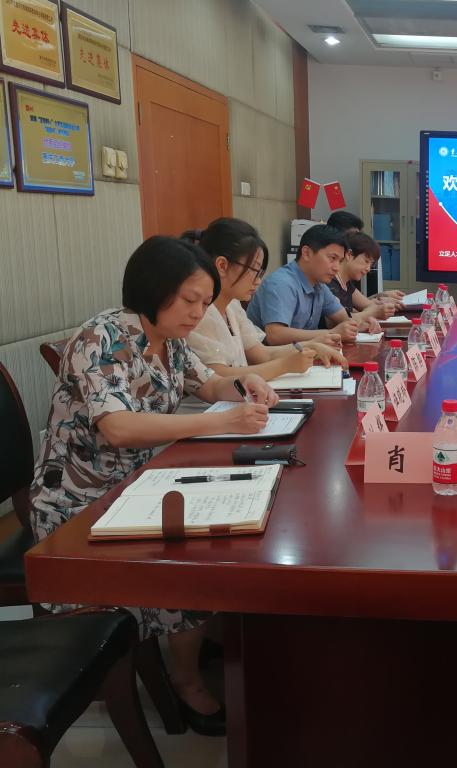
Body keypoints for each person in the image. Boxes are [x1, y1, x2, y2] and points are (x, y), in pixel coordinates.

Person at [30, 236, 280, 736]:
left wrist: (242, 385)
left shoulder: (169, 339)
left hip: (139, 484)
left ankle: (204, 639)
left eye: (205, 302)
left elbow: (207, 383)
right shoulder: (102, 338)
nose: (197, 313)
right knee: (193, 562)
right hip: (81, 503)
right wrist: (218, 421)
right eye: (189, 300)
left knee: (224, 528)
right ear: (152, 290)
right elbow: (119, 427)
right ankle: (185, 679)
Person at [184, 218, 347, 381]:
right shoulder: (201, 312)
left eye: (260, 273)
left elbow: (262, 354)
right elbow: (217, 378)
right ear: (222, 266)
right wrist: (284, 365)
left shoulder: (232, 305)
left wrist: (312, 346)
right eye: (255, 270)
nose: (258, 281)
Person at [246, 224, 378, 344]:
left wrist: (362, 324)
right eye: (332, 258)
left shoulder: (319, 285)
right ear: (307, 253)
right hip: (270, 360)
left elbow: (343, 318)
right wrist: (332, 333)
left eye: (340, 261)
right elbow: (275, 335)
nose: (337, 267)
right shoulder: (281, 283)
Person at [326, 210, 405, 306]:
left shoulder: (346, 280)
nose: (368, 269)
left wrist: (380, 297)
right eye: (366, 261)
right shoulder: (329, 278)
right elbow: (344, 313)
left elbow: (358, 307)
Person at [323, 231, 398, 322]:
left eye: (371, 264)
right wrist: (373, 312)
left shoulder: (347, 284)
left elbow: (368, 305)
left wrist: (383, 302)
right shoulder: (330, 283)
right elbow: (336, 321)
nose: (368, 269)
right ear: (349, 255)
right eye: (366, 261)